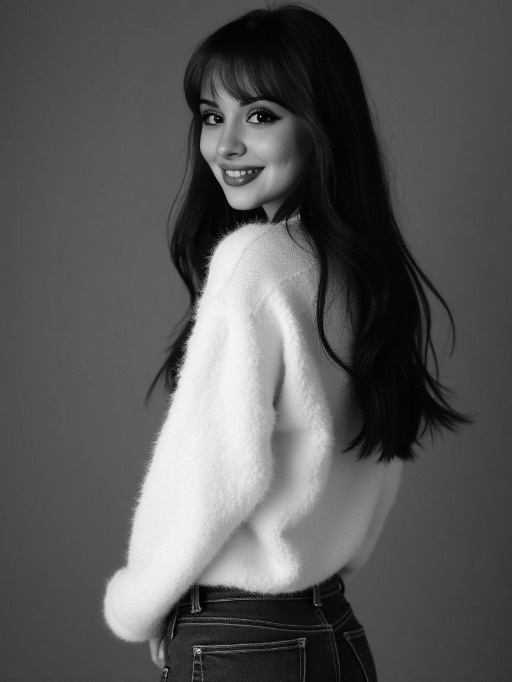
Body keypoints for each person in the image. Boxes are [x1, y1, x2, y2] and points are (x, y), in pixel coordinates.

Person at [102, 4, 471, 680]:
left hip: (240, 636)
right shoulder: (368, 275)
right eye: (211, 116)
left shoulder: (255, 263)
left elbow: (215, 471)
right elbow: (381, 458)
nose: (225, 144)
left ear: (320, 125)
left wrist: (142, 604)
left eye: (260, 115)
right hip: (333, 628)